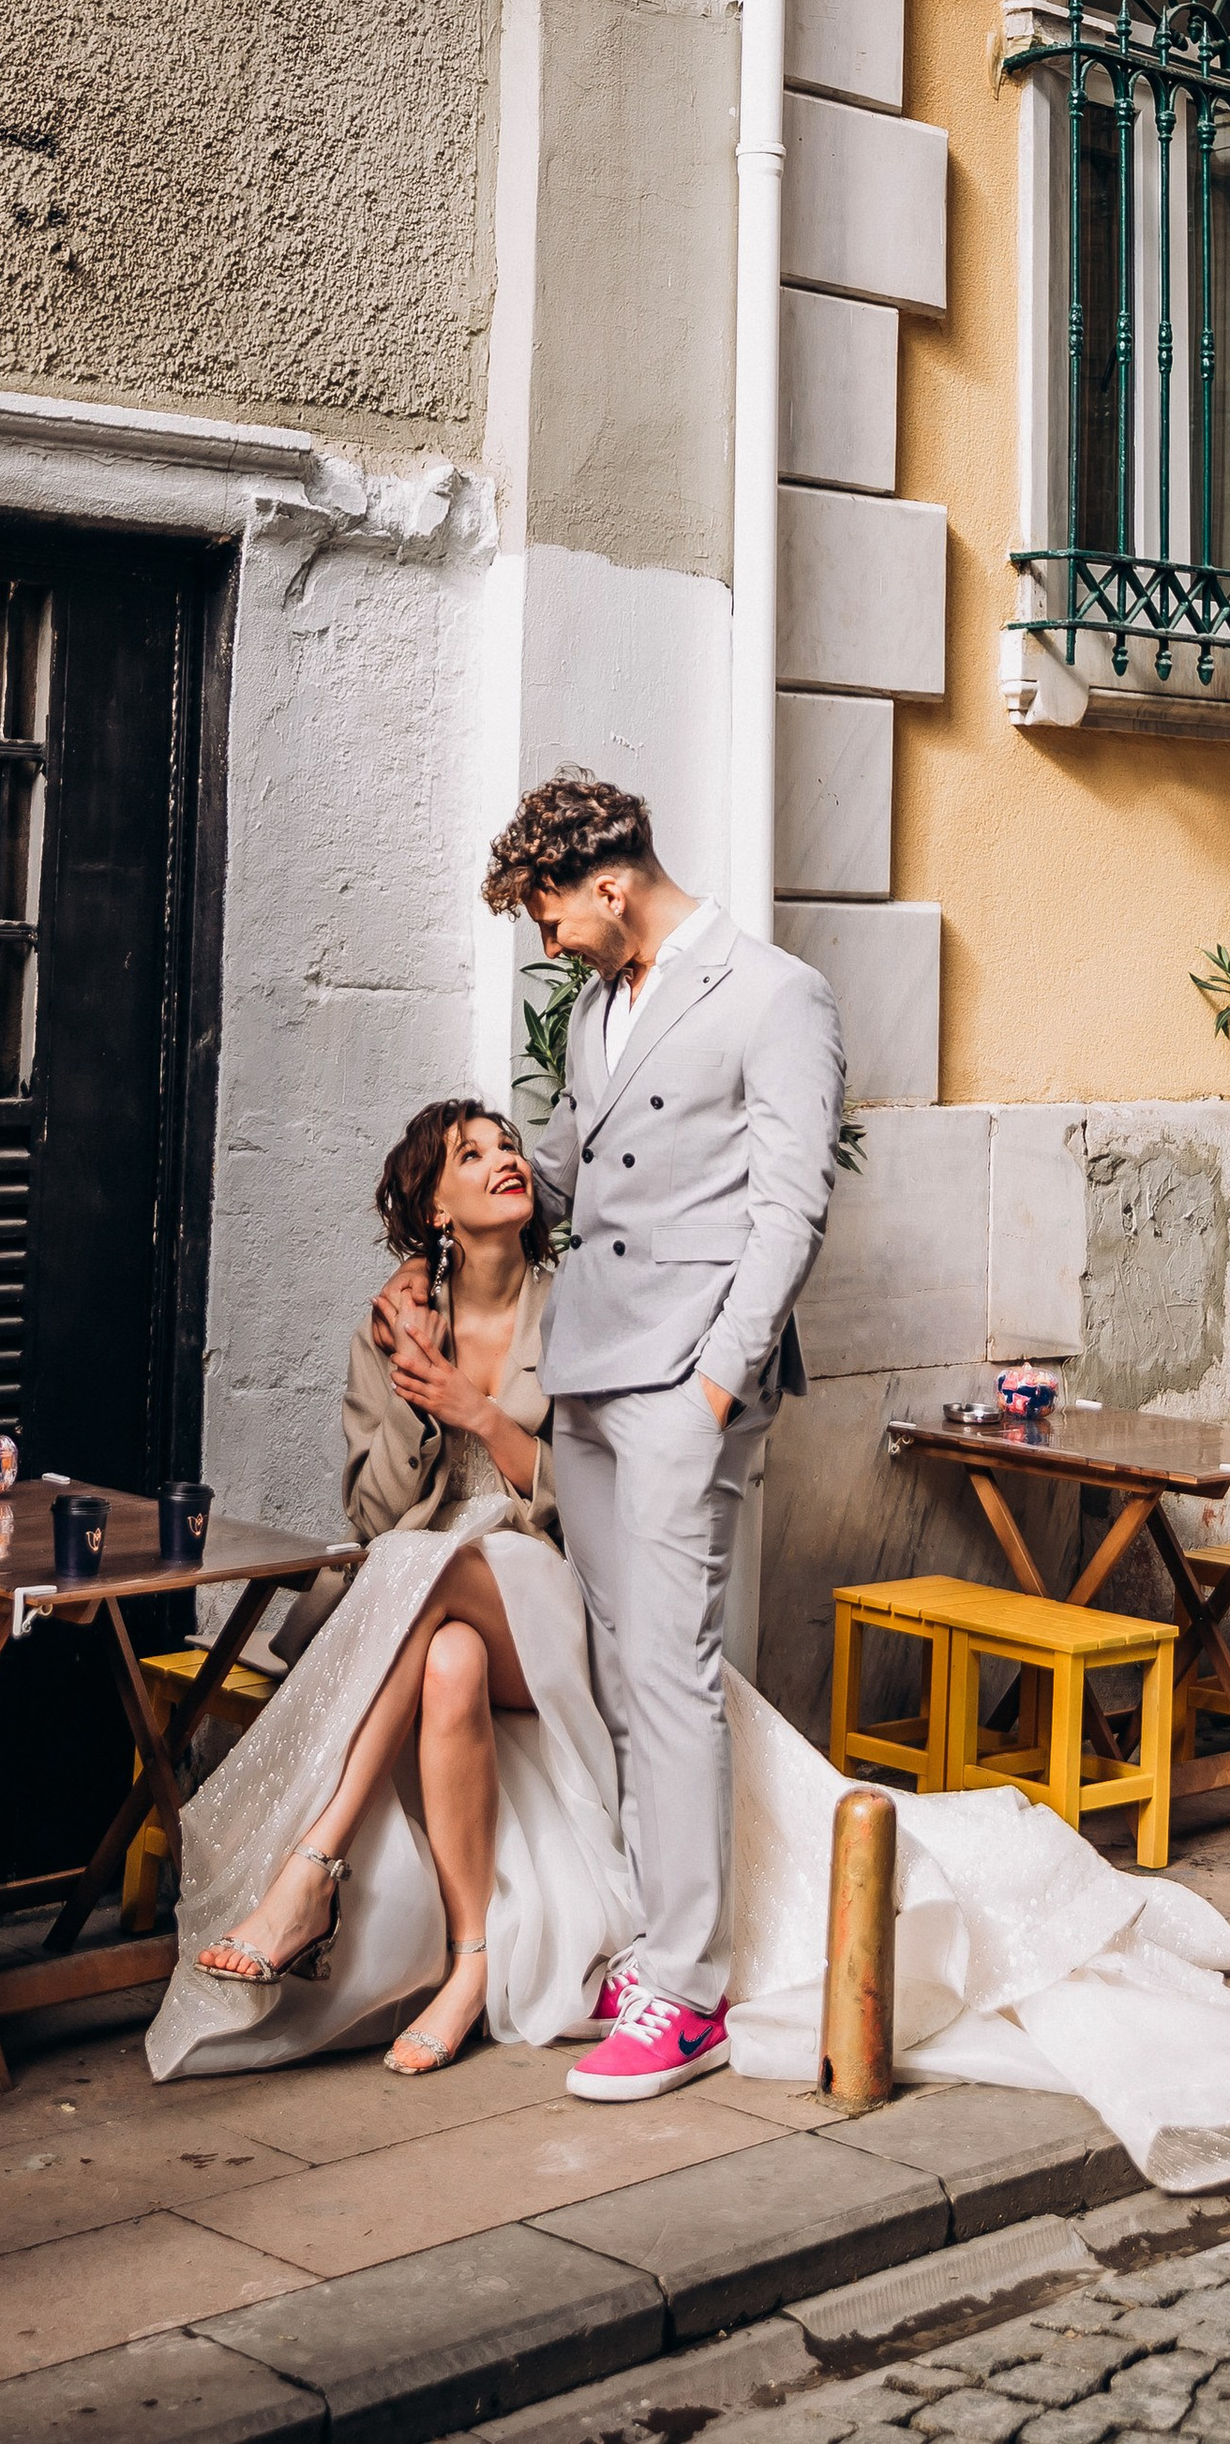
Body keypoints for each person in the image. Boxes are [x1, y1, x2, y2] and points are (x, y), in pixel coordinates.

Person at [375, 774, 845, 2103]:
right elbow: (564, 1174)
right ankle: (650, 1941)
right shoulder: (595, 1008)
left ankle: (688, 1997)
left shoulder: (776, 995)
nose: (548, 941)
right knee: (620, 1672)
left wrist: (716, 1388)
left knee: (673, 1675)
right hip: (587, 1374)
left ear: (612, 885)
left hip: (686, 1383)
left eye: (550, 915)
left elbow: (791, 1209)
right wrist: (425, 1246)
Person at [145, 1101, 632, 2085]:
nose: (504, 1160)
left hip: (546, 1588)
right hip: (433, 1596)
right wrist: (420, 1395)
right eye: (470, 1154)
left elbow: (599, 1497)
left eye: (507, 1146)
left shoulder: (576, 1308)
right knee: (447, 1657)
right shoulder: (394, 1325)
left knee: (428, 1568)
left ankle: (311, 1869)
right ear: (436, 1209)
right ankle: (469, 1965)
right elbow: (374, 1517)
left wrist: (477, 1411)